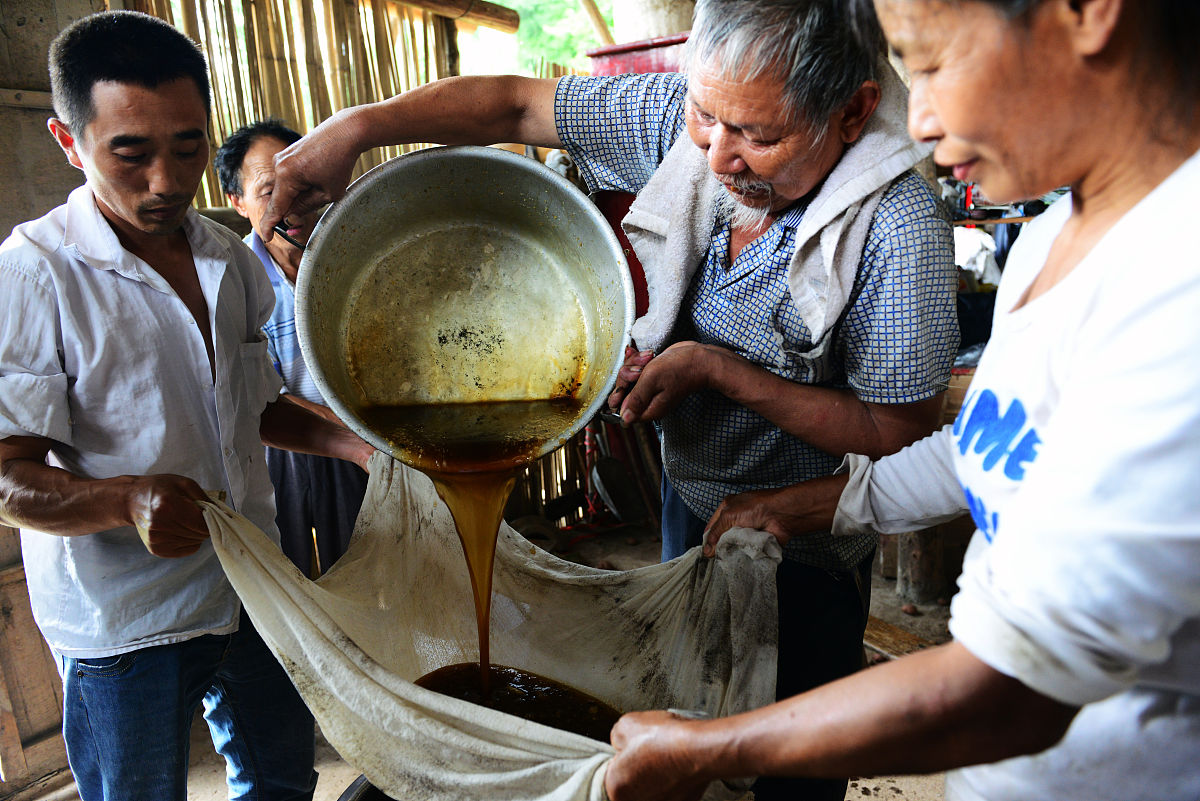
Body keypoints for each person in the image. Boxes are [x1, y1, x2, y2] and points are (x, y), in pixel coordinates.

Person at [260, 3, 957, 797]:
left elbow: (898, 431)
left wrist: (721, 371)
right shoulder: (687, 125)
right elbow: (513, 106)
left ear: (853, 112)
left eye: (758, 136)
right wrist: (356, 127)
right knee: (686, 724)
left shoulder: (896, 228)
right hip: (694, 504)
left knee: (791, 760)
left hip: (809, 548)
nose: (718, 155)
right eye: (706, 116)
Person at [602, 1, 1200, 800]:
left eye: (933, 61)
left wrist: (708, 747)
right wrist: (807, 504)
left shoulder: (1177, 294)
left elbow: (1012, 691)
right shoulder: (1058, 234)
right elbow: (994, 444)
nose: (918, 121)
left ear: (1086, 14)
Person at [0, 11, 374, 801]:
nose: (167, 182)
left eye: (187, 147)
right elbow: (7, 475)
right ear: (69, 141)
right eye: (131, 153)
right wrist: (124, 500)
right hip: (125, 624)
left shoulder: (228, 258)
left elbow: (254, 407)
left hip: (250, 583)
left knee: (281, 778)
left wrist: (356, 447)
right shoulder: (35, 273)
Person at [215, 119, 369, 577]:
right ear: (237, 201)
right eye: (268, 191)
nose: (289, 206)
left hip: (362, 442)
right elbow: (263, 397)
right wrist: (345, 429)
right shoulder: (234, 280)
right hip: (283, 445)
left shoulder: (354, 257)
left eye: (299, 188)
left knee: (363, 568)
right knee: (289, 570)